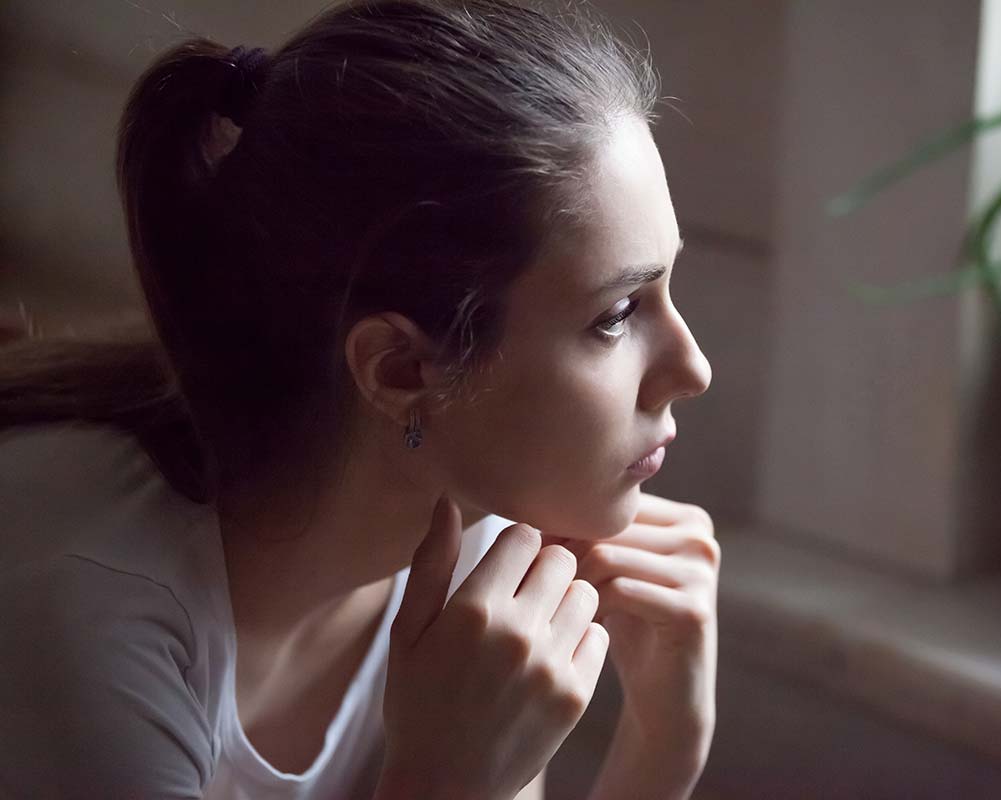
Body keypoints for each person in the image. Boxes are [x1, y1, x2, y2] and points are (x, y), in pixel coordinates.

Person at [0, 0, 717, 798]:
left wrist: (665, 745)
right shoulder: (85, 623)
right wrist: (441, 782)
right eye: (617, 314)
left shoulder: (471, 538)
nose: (694, 368)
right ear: (401, 370)